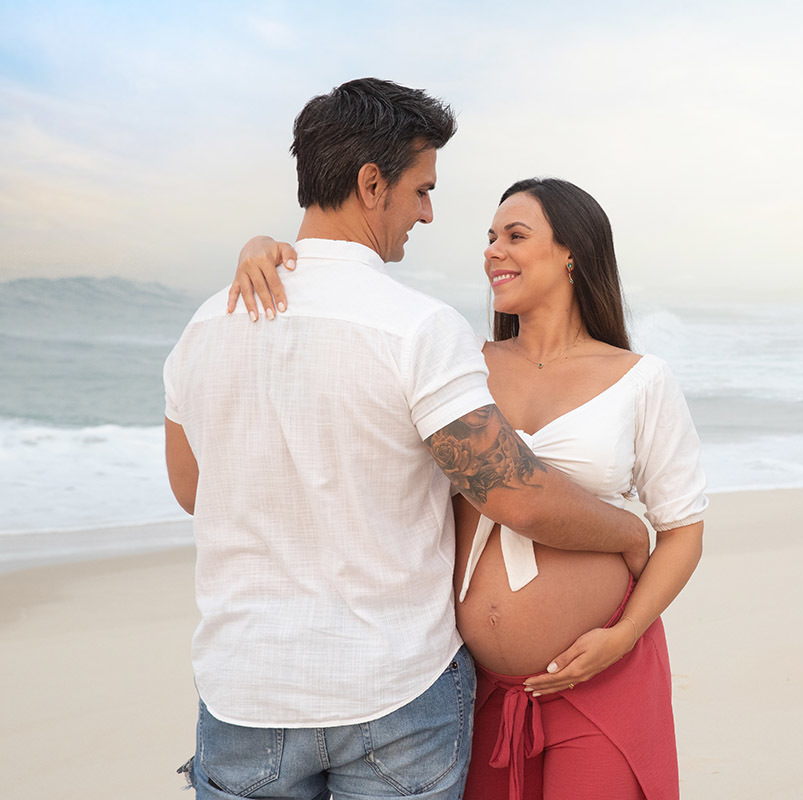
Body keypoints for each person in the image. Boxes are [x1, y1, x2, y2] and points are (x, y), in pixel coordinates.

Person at [163, 78, 650, 800]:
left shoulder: (206, 326)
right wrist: (630, 533)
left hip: (247, 690)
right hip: (392, 692)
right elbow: (513, 493)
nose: (427, 212)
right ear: (371, 185)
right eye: (421, 190)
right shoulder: (416, 328)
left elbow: (191, 489)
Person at [231, 178, 706, 800]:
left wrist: (623, 636)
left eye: (515, 235)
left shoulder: (641, 379)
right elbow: (340, 364)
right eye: (490, 237)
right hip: (470, 688)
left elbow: (683, 529)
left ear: (573, 252)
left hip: (600, 674)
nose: (492, 250)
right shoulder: (458, 362)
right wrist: (267, 253)